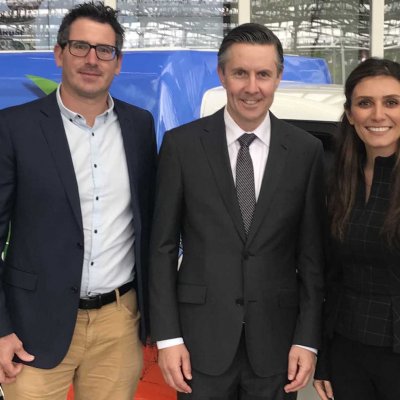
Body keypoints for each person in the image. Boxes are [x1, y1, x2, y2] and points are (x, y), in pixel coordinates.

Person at [149, 23, 325, 400]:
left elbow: (312, 257)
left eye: (263, 74)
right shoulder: (182, 146)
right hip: (198, 343)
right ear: (222, 75)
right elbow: (161, 247)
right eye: (240, 73)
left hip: (278, 345)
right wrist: (168, 337)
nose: (251, 87)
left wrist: (307, 340)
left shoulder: (306, 152)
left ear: (278, 77)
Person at [0, 2, 157, 399]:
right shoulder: (14, 127)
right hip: (33, 327)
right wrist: (0, 329)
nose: (92, 59)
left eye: (104, 50)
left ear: (117, 62)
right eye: (79, 47)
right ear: (58, 53)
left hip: (118, 325)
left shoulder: (140, 126)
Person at [313, 58, 400, 400]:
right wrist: (324, 354)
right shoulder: (335, 179)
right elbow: (329, 275)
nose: (378, 115)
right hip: (347, 350)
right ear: (350, 114)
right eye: (365, 103)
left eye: (391, 102)